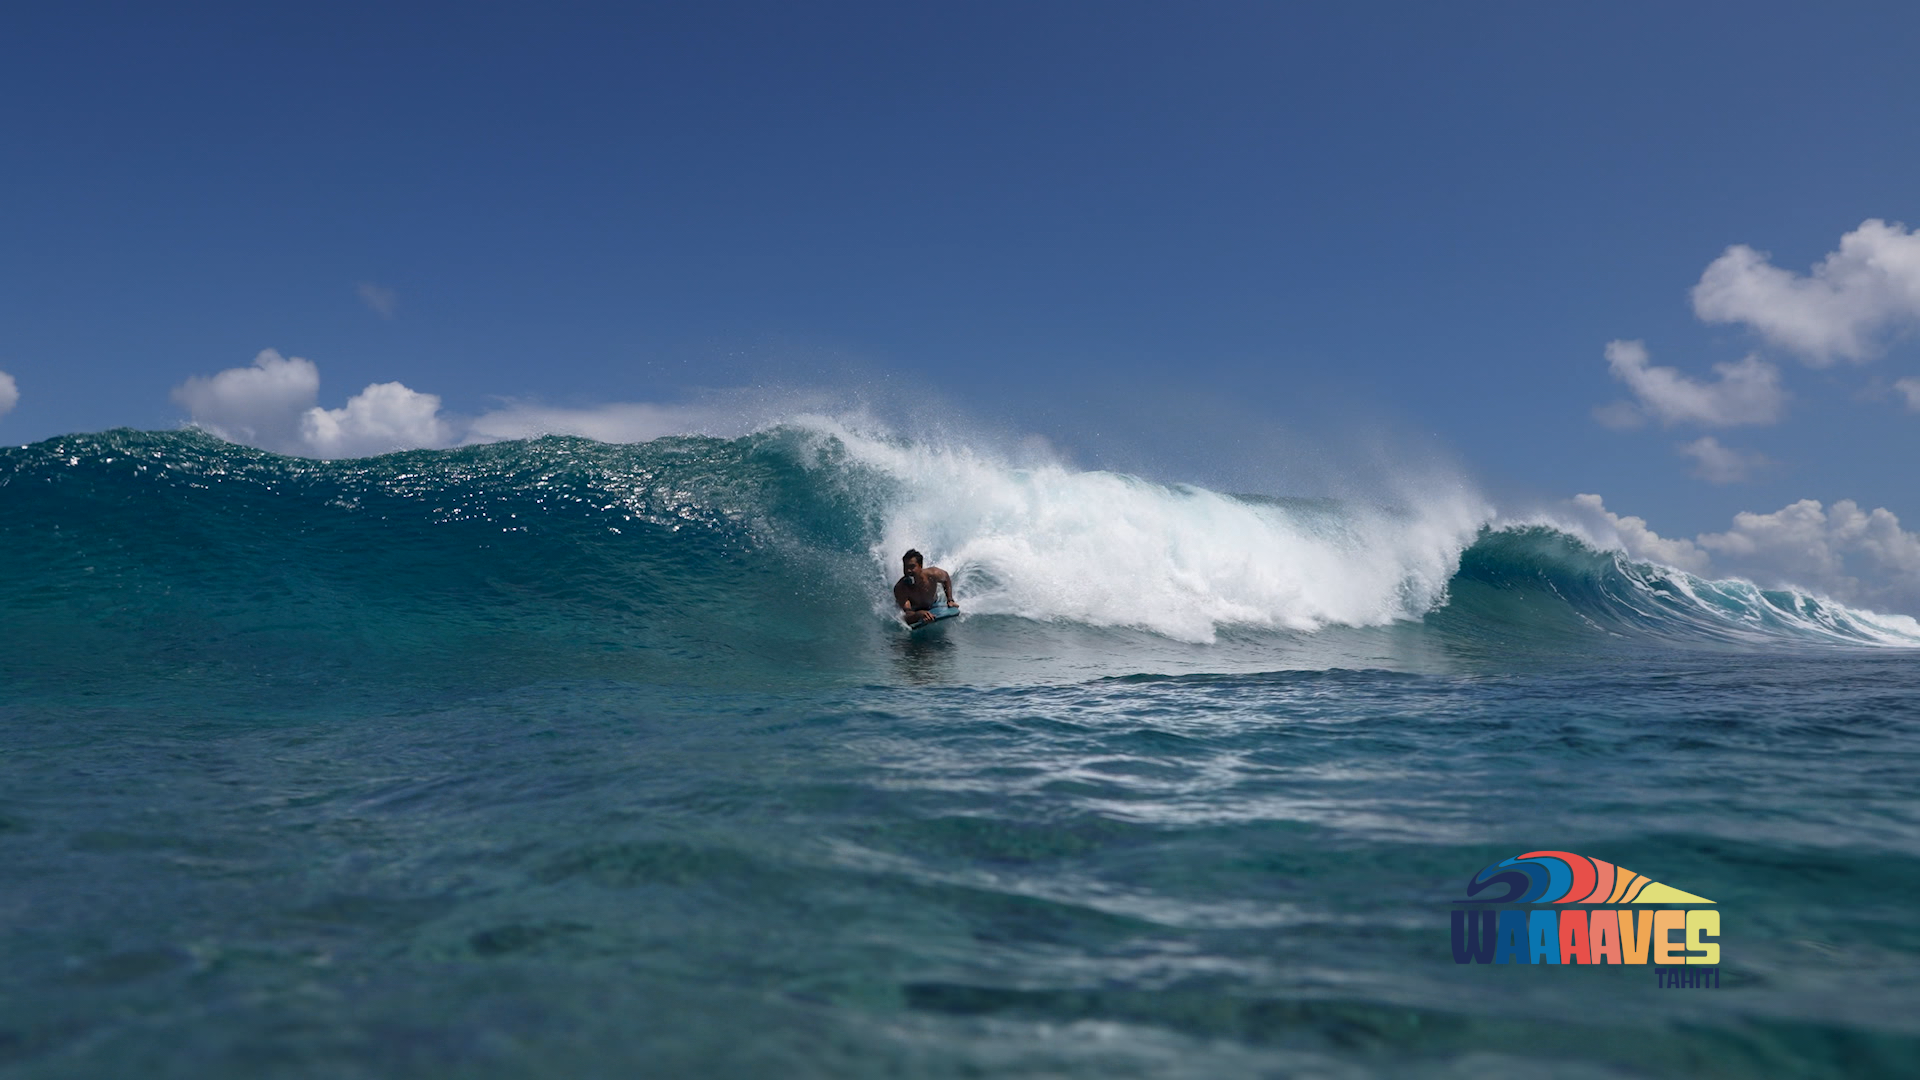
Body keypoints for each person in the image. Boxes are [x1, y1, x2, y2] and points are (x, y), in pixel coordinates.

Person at [893, 549, 956, 626]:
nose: (908, 571)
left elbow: (946, 577)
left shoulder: (933, 574)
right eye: (905, 567)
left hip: (934, 602)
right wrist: (918, 615)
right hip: (915, 610)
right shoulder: (901, 588)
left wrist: (950, 599)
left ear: (920, 566)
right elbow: (907, 616)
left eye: (912, 567)